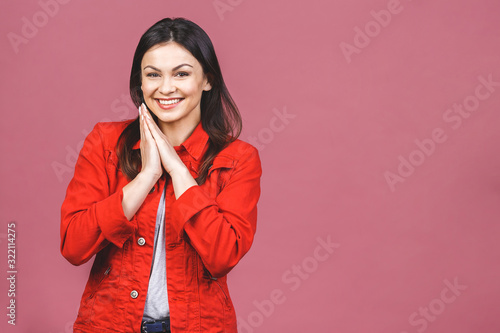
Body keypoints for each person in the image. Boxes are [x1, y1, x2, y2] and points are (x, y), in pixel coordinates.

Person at [60, 17, 262, 333]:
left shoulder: (238, 159)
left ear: (207, 80)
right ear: (140, 82)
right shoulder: (105, 142)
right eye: (153, 75)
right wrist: (147, 176)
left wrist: (178, 170)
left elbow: (223, 255)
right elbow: (74, 245)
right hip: (108, 325)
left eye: (181, 74)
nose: (165, 88)